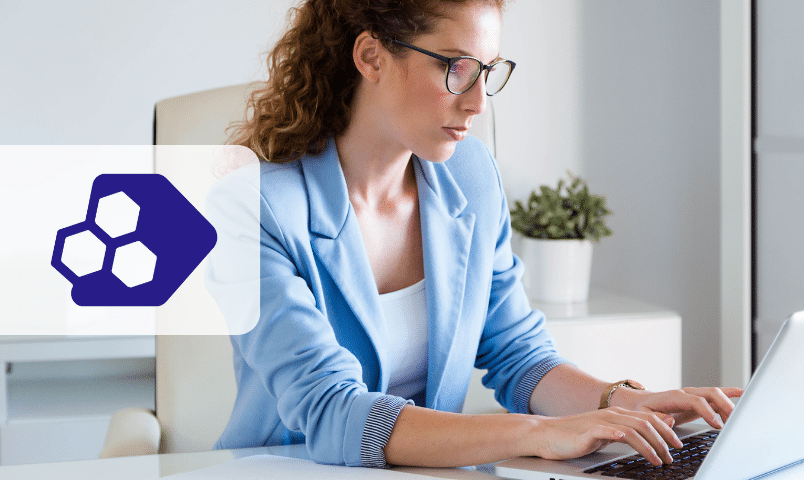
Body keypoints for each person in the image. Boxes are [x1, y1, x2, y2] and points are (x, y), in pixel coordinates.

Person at [208, 0, 742, 470]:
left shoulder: (470, 176)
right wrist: (540, 434)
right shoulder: (250, 208)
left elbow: (518, 354)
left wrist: (614, 402)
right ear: (371, 57)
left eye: (488, 70)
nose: (478, 101)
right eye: (457, 68)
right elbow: (331, 411)